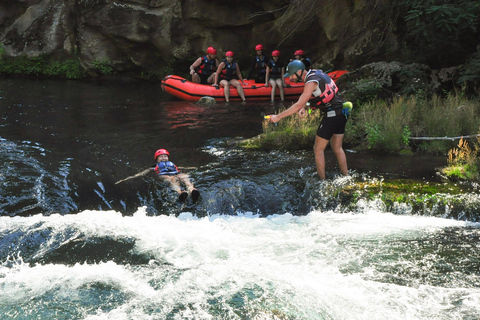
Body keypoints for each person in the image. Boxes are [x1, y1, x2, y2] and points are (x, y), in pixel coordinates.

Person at [267, 60, 348, 180]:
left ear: (299, 72)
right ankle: (346, 176)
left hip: (332, 115)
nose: (291, 78)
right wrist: (306, 107)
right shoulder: (316, 73)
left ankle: (322, 181)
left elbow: (298, 105)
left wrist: (278, 117)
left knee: (318, 149)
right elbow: (319, 95)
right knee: (337, 147)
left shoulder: (310, 82)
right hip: (342, 112)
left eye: (293, 75)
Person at [115, 149, 200, 202]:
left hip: (175, 173)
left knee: (184, 177)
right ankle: (180, 193)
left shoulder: (172, 164)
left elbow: (181, 168)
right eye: (161, 156)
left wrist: (192, 167)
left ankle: (192, 190)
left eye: (165, 156)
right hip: (163, 175)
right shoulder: (154, 167)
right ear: (157, 159)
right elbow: (141, 173)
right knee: (172, 179)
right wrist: (127, 178)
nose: (163, 158)